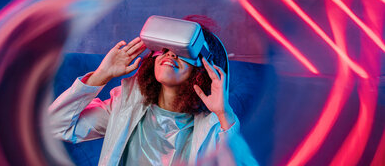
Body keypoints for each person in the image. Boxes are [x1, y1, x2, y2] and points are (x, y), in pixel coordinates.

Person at [49, 15, 257, 165]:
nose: (170, 55)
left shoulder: (213, 127)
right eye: (165, 49)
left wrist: (223, 115)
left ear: (204, 68)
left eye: (182, 52)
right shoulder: (123, 106)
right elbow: (56, 125)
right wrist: (100, 76)